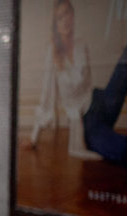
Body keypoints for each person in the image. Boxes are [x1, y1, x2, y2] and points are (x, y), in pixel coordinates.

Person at [29, 0, 127, 164]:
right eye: (60, 17)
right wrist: (33, 138)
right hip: (86, 122)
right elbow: (46, 97)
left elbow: (84, 83)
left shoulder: (81, 44)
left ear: (73, 15)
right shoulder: (52, 53)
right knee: (121, 150)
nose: (65, 20)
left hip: (101, 100)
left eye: (67, 13)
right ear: (55, 24)